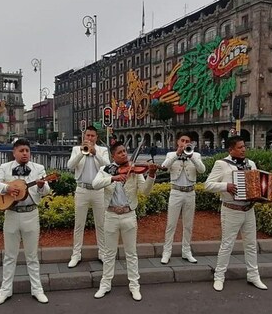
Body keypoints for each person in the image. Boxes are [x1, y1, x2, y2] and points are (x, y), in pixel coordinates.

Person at [91, 141, 157, 302]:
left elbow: (145, 192)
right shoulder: (105, 170)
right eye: (120, 152)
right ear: (113, 156)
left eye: (125, 151)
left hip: (129, 215)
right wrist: (113, 178)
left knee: (131, 253)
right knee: (109, 253)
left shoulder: (134, 171)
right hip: (111, 216)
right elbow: (95, 184)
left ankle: (134, 286)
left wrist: (152, 176)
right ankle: (105, 284)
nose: (124, 154)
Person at [0, 138, 51, 306]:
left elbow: (46, 191)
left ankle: (37, 290)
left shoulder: (38, 169)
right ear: (14, 152)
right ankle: (5, 291)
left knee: (32, 256)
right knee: (9, 256)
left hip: (31, 214)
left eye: (27, 151)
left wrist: (40, 186)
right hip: (11, 214)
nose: (25, 153)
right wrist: (7, 188)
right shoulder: (5, 168)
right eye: (21, 150)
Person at [204, 136, 272, 292]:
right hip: (231, 209)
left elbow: (257, 186)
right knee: (227, 244)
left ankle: (253, 276)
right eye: (240, 147)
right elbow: (207, 185)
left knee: (251, 244)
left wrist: (268, 188)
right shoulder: (221, 164)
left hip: (249, 209)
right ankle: (219, 277)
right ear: (231, 149)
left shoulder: (251, 164)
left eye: (244, 147)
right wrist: (225, 186)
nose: (243, 149)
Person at [67, 125, 110, 268]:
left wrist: (95, 153)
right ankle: (76, 254)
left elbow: (108, 167)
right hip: (82, 189)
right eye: (87, 136)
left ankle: (103, 253)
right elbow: (70, 166)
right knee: (79, 224)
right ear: (83, 137)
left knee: (101, 224)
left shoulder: (102, 150)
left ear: (96, 137)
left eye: (92, 136)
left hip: (98, 191)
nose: (90, 138)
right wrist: (81, 152)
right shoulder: (76, 149)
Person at [160, 133, 206, 264]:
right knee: (171, 224)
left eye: (187, 141)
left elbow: (202, 170)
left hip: (190, 192)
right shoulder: (170, 155)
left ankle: (186, 251)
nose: (185, 143)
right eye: (182, 140)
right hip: (176, 192)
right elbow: (164, 167)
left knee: (188, 225)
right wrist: (177, 154)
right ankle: (166, 252)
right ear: (177, 142)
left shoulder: (196, 155)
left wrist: (191, 157)